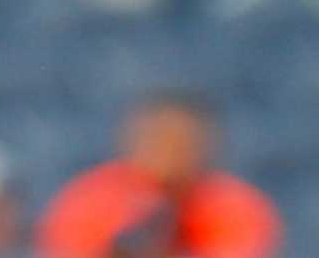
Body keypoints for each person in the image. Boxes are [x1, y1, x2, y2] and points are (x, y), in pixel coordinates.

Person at [37, 95, 280, 258]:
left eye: (183, 142)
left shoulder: (235, 206)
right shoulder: (89, 200)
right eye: (159, 139)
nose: (170, 153)